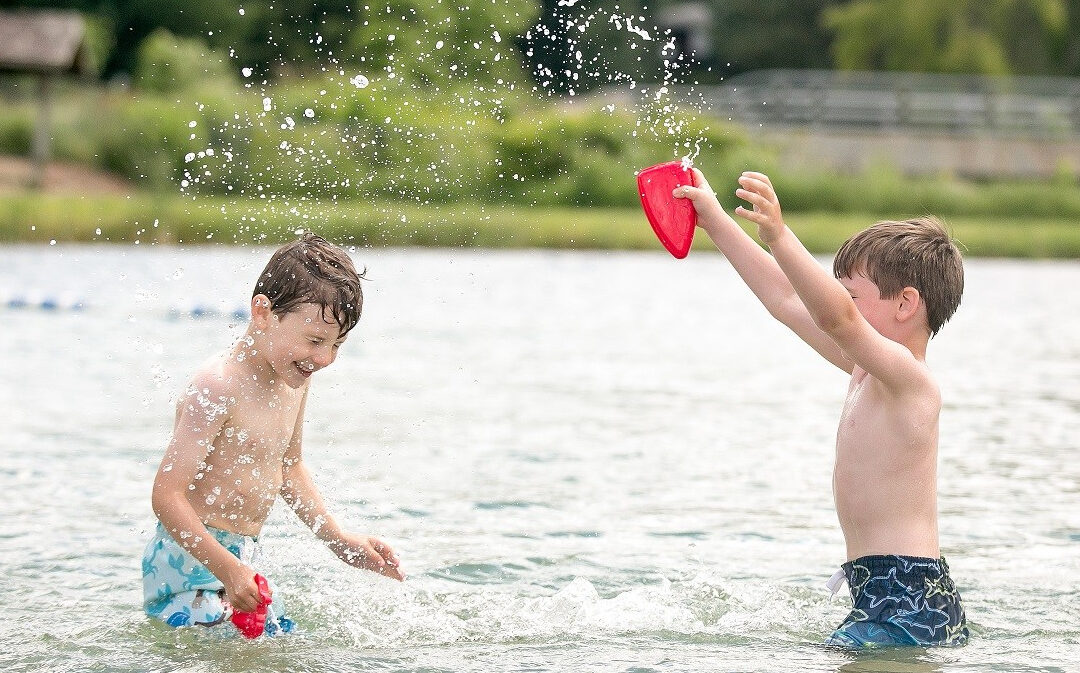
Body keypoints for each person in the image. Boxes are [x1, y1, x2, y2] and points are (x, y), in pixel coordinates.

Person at [675, 169, 968, 648]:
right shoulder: (864, 369)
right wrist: (716, 219)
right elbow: (787, 298)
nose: (836, 302)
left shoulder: (912, 382)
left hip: (910, 597)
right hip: (878, 589)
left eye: (851, 292)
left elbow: (837, 317)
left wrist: (780, 235)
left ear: (905, 304)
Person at [142, 232, 404, 635]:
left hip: (239, 560)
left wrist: (338, 540)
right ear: (262, 313)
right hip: (187, 564)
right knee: (245, 648)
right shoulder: (217, 387)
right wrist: (228, 569)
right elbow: (167, 495)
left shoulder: (293, 378)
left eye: (338, 345)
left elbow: (289, 465)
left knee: (282, 639)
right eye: (316, 340)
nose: (324, 359)